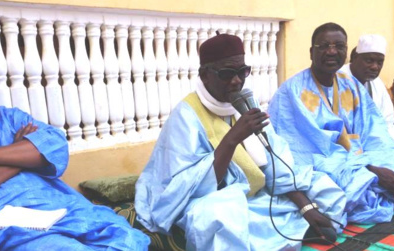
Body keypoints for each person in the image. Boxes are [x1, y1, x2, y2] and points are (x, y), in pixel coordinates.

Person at [0, 45, 150, 250]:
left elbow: (54, 146)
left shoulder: (10, 119)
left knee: (125, 238)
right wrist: (19, 153)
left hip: (58, 210)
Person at [134, 34, 347, 251]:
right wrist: (233, 138)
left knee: (325, 188)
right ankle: (294, 232)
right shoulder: (186, 116)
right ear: (205, 75)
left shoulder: (243, 103)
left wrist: (306, 207)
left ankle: (298, 227)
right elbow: (189, 188)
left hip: (256, 198)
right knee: (219, 216)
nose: (236, 81)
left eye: (242, 72)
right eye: (227, 73)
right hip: (213, 199)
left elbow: (276, 162)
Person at [268, 23, 394, 224]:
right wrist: (371, 169)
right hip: (325, 162)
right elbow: (308, 152)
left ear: (346, 52)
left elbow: (374, 131)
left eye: (339, 46)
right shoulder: (292, 92)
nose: (332, 51)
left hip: (362, 155)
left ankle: (383, 184)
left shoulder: (350, 83)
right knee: (355, 189)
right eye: (324, 46)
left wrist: (379, 161)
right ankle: (378, 185)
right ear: (312, 52)